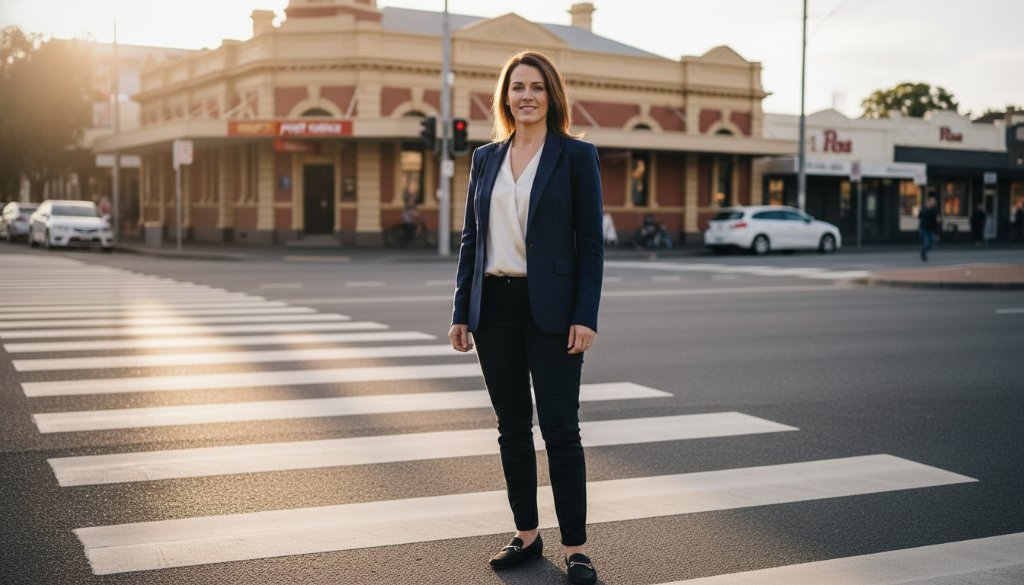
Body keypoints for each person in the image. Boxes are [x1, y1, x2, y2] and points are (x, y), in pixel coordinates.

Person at [449, 50, 603, 585]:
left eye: (537, 86)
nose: (527, 95)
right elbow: (473, 238)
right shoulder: (486, 157)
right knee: (512, 429)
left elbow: (590, 246)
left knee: (561, 430)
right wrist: (461, 310)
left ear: (551, 95)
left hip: (555, 313)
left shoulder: (575, 157)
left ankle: (577, 549)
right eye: (517, 87)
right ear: (505, 96)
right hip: (494, 310)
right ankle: (526, 535)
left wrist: (586, 315)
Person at [919, 196, 939, 262]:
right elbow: (919, 216)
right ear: (929, 202)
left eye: (934, 201)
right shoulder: (924, 209)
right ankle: (923, 254)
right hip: (924, 229)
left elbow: (935, 221)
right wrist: (925, 209)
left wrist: (936, 232)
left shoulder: (934, 210)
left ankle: (924, 252)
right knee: (926, 243)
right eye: (932, 200)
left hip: (931, 229)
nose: (934, 202)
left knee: (931, 244)